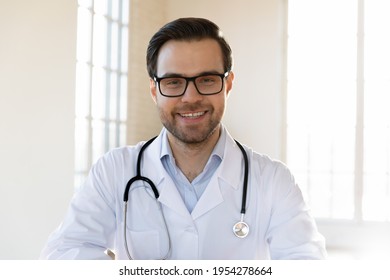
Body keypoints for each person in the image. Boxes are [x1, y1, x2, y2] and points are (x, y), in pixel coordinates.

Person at [40, 17, 326, 260]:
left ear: (228, 84)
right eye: (174, 82)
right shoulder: (114, 171)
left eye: (207, 79)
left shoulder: (273, 181)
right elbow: (64, 253)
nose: (191, 97)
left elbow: (305, 264)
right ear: (154, 90)